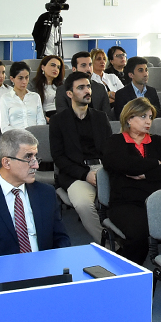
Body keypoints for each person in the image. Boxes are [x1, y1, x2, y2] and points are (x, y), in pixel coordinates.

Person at [0, 128, 70, 258]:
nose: (36, 165)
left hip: (43, 269)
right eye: (28, 157)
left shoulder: (46, 193)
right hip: (1, 274)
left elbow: (62, 238)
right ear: (6, 162)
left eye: (35, 157)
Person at [101, 98, 161, 264]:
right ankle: (128, 278)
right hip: (126, 203)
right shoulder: (115, 142)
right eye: (143, 116)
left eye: (150, 117)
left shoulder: (158, 141)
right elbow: (124, 164)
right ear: (129, 118)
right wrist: (155, 163)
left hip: (159, 201)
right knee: (139, 236)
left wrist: (146, 175)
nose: (148, 121)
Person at [51, 71, 112, 241]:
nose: (87, 91)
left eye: (88, 86)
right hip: (75, 173)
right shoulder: (58, 121)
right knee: (83, 204)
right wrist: (85, 174)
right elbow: (59, 157)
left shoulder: (101, 117)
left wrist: (103, 172)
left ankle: (125, 237)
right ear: (70, 94)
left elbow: (110, 149)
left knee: (125, 195)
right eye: (81, 88)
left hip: (102, 168)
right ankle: (108, 244)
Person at [0, 61, 46, 132]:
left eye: (26, 77)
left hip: (34, 137)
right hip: (15, 138)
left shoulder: (35, 97)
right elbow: (4, 126)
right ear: (12, 79)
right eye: (20, 78)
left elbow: (41, 121)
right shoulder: (5, 98)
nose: (24, 81)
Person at [29, 55, 64, 123]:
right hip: (43, 116)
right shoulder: (33, 85)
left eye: (58, 67)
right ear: (43, 67)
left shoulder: (62, 85)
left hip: (61, 116)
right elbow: (32, 106)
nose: (55, 69)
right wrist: (45, 118)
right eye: (53, 65)